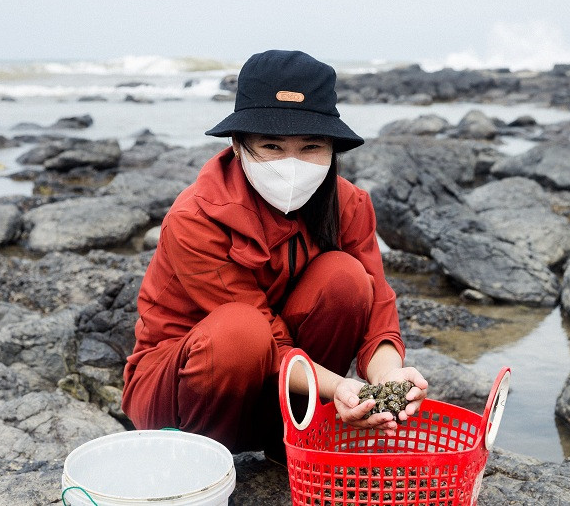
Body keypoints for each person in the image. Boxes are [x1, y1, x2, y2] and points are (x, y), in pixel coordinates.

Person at [121, 50, 428, 461]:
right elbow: (264, 337)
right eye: (271, 145)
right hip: (186, 390)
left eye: (311, 146)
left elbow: (378, 312)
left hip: (291, 388)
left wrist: (389, 378)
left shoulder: (349, 205)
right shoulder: (195, 216)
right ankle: (197, 463)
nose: (293, 164)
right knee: (241, 331)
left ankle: (294, 439)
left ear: (332, 148)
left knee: (346, 277)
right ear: (237, 144)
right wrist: (340, 387)